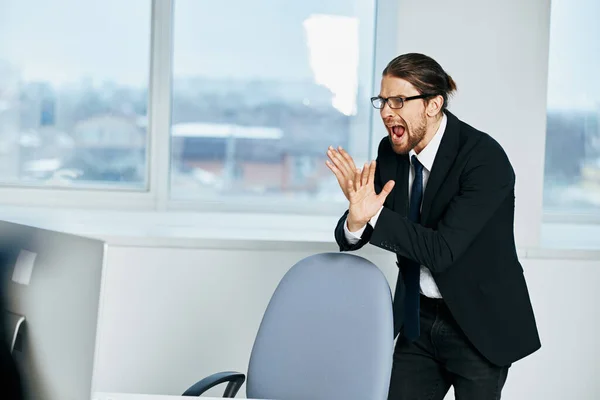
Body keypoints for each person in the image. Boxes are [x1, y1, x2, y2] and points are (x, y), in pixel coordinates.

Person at [326, 53, 540, 399]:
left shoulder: (484, 159)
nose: (385, 112)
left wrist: (374, 216)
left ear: (432, 104)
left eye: (398, 101)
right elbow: (353, 236)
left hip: (478, 327)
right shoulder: (391, 152)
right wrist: (356, 219)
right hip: (417, 321)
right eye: (382, 101)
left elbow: (441, 251)